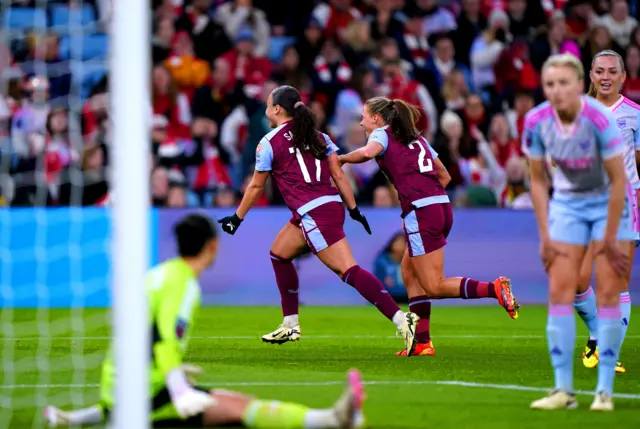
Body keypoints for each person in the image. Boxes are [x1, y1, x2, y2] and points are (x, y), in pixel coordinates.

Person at [44, 213, 365, 428]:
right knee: (238, 409)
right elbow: (165, 339)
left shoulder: (159, 275)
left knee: (231, 404)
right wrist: (178, 386)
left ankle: (330, 418)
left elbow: (142, 336)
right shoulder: (183, 285)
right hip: (148, 397)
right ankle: (331, 420)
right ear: (212, 246)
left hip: (127, 389)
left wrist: (73, 418)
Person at [217, 85, 419, 356]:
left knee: (348, 270)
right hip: (326, 207)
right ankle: (290, 324)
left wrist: (236, 218)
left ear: (277, 109)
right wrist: (354, 209)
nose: (266, 110)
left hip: (313, 212)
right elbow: (338, 175)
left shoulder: (268, 143)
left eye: (268, 105)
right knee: (279, 253)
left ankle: (401, 319)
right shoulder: (319, 136)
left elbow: (255, 187)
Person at [338, 97, 520, 357]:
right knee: (409, 273)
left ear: (377, 118)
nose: (361, 121)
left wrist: (342, 158)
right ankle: (422, 342)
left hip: (422, 212)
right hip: (441, 207)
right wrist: (427, 198)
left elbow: (367, 153)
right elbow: (444, 175)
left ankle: (494, 288)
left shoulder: (382, 134)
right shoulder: (417, 139)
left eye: (364, 116)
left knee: (433, 284)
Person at [524, 54, 631, 411]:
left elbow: (620, 181)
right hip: (568, 204)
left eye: (563, 83)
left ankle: (604, 391)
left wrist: (612, 236)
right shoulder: (536, 121)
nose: (556, 91)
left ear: (576, 85)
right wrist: (544, 234)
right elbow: (537, 180)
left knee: (609, 292)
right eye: (549, 84)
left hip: (609, 201)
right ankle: (563, 391)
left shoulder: (600, 119)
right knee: (559, 291)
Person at [575, 49, 639, 374]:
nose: (605, 77)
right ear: (591, 75)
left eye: (612, 71)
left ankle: (609, 352)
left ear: (623, 76)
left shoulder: (635, 114)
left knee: (617, 282)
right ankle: (598, 333)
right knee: (575, 278)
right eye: (600, 71)